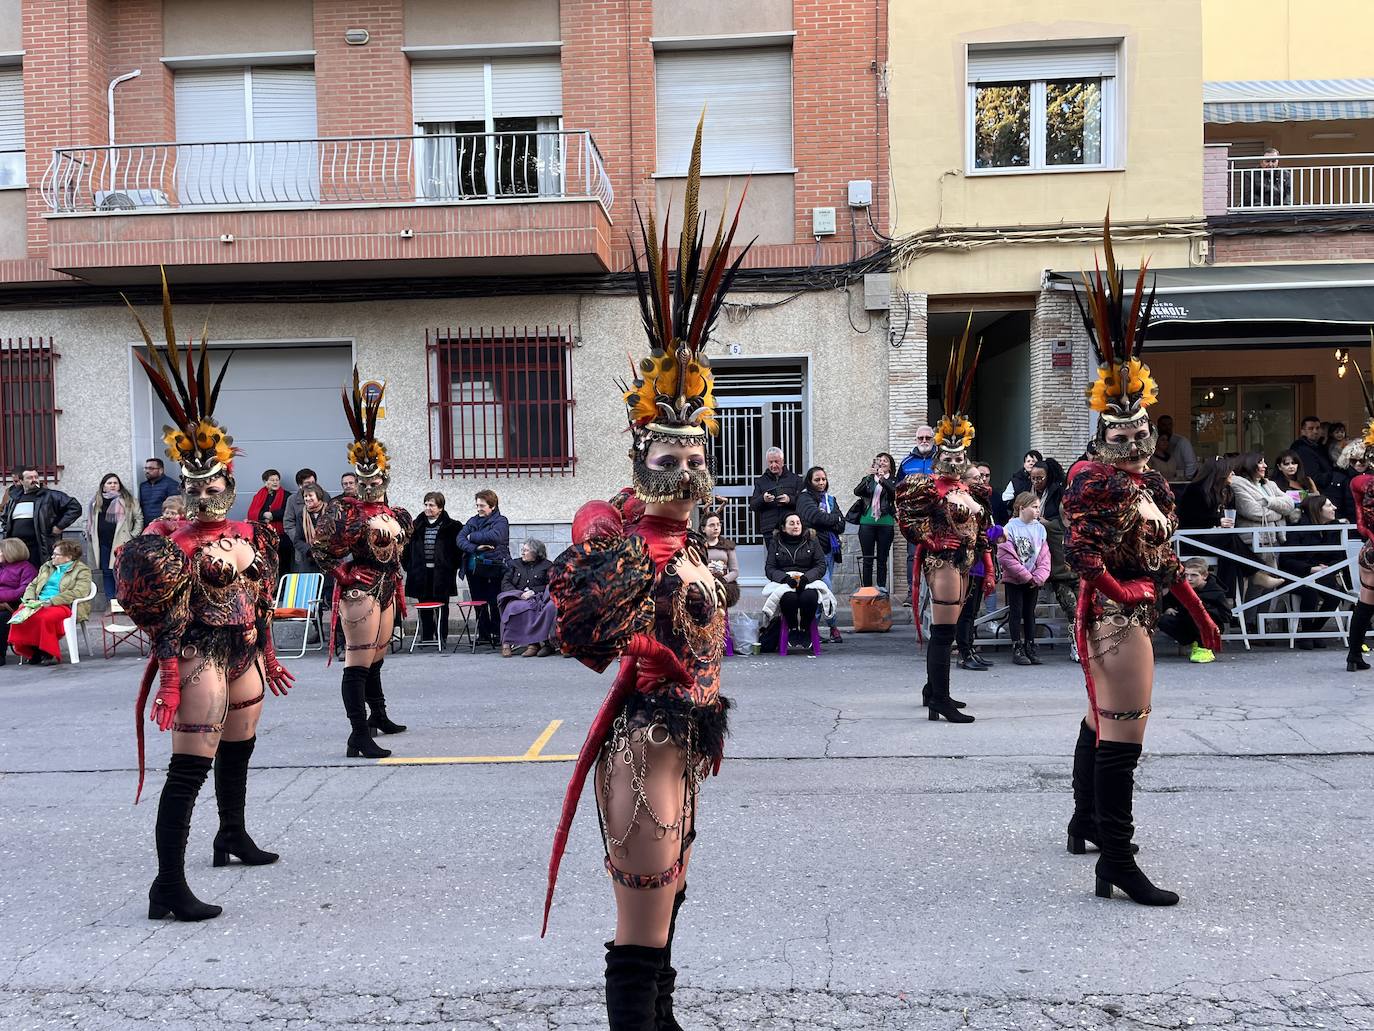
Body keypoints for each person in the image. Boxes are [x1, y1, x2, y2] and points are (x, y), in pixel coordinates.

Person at [542, 128, 745, 1028]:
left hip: (685, 744)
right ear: (638, 450)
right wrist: (627, 540)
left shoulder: (686, 537)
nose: (683, 462)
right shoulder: (619, 532)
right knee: (640, 925)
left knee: (670, 908)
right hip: (641, 746)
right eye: (667, 447)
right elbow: (583, 636)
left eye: (695, 447)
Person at [115, 286, 294, 922]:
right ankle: (167, 885)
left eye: (214, 477)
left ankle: (231, 835)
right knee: (190, 764)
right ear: (181, 481)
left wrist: (260, 613)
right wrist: (187, 563)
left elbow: (263, 590)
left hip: (243, 646)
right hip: (192, 651)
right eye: (194, 479)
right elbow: (145, 590)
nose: (206, 487)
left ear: (229, 477)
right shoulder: (161, 537)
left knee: (241, 744)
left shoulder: (247, 531)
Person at [1061, 222, 1220, 907]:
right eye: (1120, 430)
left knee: (1105, 723)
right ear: (1102, 430)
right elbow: (1081, 553)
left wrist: (1201, 613)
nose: (1133, 438)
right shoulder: (1092, 479)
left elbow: (1167, 557)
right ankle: (1117, 860)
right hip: (1115, 618)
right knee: (1123, 729)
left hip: (1138, 612)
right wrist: (1118, 586)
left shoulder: (1154, 484)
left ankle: (1090, 827)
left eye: (1141, 428)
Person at [895, 318, 993, 724]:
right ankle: (940, 699)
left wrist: (987, 563)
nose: (954, 462)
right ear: (937, 458)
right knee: (945, 632)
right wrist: (931, 542)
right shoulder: (924, 485)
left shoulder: (972, 490)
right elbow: (905, 519)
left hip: (966, 563)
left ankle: (933, 691)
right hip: (945, 564)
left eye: (959, 457)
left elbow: (981, 528)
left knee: (951, 628)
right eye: (947, 457)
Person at [311, 374, 412, 757]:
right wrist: (345, 573)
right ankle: (357, 734)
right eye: (363, 479)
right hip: (361, 590)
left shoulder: (393, 512)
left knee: (378, 654)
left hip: (388, 587)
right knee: (358, 657)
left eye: (376, 478)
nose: (369, 485)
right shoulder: (345, 511)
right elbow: (321, 549)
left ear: (385, 478)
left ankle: (378, 716)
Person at [6, 538, 92, 665]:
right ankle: (33, 651)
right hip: (39, 602)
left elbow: (79, 592)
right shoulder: (47, 567)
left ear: (68, 557)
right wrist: (29, 599)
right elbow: (32, 585)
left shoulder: (82, 570)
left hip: (62, 604)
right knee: (19, 615)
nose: (52, 557)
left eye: (56, 554)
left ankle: (48, 652)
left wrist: (52, 601)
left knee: (44, 618)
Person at [1278, 493, 1346, 650]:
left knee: (1336, 595)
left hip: (1323, 574)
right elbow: (1286, 560)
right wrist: (1310, 568)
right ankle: (1308, 634)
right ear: (1317, 510)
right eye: (1329, 505)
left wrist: (1329, 567)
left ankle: (1312, 631)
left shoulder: (1333, 528)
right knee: (1311, 592)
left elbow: (1340, 556)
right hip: (1296, 575)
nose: (1334, 508)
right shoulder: (1298, 529)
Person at [401, 491, 463, 644]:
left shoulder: (452, 526)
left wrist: (451, 566)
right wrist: (409, 566)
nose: (428, 508)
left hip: (442, 574)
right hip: (421, 573)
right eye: (426, 504)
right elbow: (405, 549)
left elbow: (458, 551)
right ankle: (427, 636)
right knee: (424, 607)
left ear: (440, 507)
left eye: (432, 505)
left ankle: (442, 637)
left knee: (443, 606)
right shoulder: (415, 525)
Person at [955, 463, 1000, 672]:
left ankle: (970, 649)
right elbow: (972, 533)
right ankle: (964, 653)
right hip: (969, 563)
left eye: (982, 477)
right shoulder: (964, 503)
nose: (980, 481)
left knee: (972, 612)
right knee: (966, 612)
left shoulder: (981, 501)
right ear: (964, 482)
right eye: (975, 478)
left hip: (981, 562)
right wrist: (997, 532)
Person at [761, 512, 828, 654]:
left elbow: (821, 565)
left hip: (807, 580)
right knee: (788, 598)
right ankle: (792, 628)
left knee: (809, 597)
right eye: (791, 523)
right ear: (784, 528)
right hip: (785, 581)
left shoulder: (812, 540)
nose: (796, 526)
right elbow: (770, 568)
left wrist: (806, 578)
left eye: (798, 523)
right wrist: (785, 578)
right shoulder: (776, 542)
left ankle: (804, 629)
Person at [999, 491, 1050, 666]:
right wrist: (1025, 576)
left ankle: (1030, 645)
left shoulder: (1040, 528)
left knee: (1030, 613)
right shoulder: (1010, 528)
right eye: (1034, 507)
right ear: (1022, 507)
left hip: (1033, 580)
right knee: (1016, 612)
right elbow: (1006, 556)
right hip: (1015, 579)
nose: (1038, 510)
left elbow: (1044, 556)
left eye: (1038, 507)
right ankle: (1017, 647)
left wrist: (1038, 576)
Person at [456, 490, 511, 652]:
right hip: (474, 570)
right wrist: (476, 547)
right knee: (479, 604)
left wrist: (471, 537)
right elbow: (459, 539)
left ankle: (497, 633)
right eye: (477, 505)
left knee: (494, 602)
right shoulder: (472, 520)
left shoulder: (501, 521)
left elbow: (496, 536)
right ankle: (483, 634)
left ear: (492, 506)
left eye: (482, 505)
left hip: (494, 568)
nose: (478, 508)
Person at [798, 466, 846, 643]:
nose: (821, 483)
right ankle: (831, 626)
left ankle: (817, 629)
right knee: (824, 589)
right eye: (817, 480)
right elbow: (813, 517)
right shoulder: (804, 497)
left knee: (824, 590)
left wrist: (831, 520)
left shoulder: (830, 499)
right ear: (810, 482)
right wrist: (833, 519)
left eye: (823, 479)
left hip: (829, 552)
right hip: (813, 552)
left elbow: (842, 524)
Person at [0, 466, 81, 567]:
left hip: (40, 546)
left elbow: (75, 507)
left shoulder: (50, 496)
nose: (34, 480)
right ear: (21, 481)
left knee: (40, 575)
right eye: (29, 478)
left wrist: (60, 526)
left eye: (36, 477)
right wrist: (6, 529)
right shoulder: (14, 498)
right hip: (17, 548)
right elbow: (4, 517)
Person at [1158, 558, 1230, 663]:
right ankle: (1190, 641)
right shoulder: (1183, 588)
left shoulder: (1216, 592)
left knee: (1197, 613)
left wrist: (1203, 609)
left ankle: (1204, 647)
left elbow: (1226, 615)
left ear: (1205, 576)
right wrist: (1167, 608)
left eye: (1194, 575)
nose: (1189, 579)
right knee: (1161, 619)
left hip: (1207, 625)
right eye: (1186, 575)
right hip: (1185, 623)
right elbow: (1167, 600)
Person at [85, 473, 144, 602]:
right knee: (107, 572)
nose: (112, 485)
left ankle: (124, 602)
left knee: (122, 573)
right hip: (103, 543)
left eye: (115, 483)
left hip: (121, 542)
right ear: (103, 487)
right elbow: (90, 520)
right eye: (109, 483)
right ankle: (111, 602)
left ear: (119, 486)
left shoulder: (128, 500)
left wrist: (133, 535)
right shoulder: (96, 501)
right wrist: (87, 532)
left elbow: (138, 518)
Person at [498, 538, 556, 657]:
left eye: (526, 550)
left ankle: (535, 644)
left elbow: (551, 584)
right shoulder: (514, 564)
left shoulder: (547, 565)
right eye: (522, 550)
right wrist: (519, 594)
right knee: (513, 607)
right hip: (518, 596)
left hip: (539, 597)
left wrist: (534, 592)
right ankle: (507, 643)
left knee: (535, 608)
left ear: (536, 552)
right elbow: (505, 582)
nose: (522, 553)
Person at [853, 452, 897, 592]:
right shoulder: (869, 479)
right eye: (880, 460)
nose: (882, 463)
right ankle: (867, 590)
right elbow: (857, 491)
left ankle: (881, 589)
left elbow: (894, 494)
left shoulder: (893, 481)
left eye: (886, 461)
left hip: (886, 523)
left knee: (882, 559)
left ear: (890, 466)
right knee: (867, 559)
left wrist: (883, 479)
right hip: (867, 522)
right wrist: (869, 476)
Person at [748, 447, 803, 538]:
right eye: (770, 462)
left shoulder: (795, 479)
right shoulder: (761, 481)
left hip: (790, 527)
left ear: (782, 461)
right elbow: (753, 506)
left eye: (776, 461)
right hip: (769, 528)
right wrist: (763, 499)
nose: (773, 465)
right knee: (773, 552)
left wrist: (789, 500)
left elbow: (802, 502)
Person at [0, 537, 38, 664]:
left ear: (11, 552)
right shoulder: (1, 567)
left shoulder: (27, 568)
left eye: (1, 551)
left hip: (15, 604)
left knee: (2, 616)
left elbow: (23, 591)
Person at [247, 469, 292, 575]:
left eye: (277, 480)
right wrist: (263, 515)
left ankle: (282, 586)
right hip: (263, 536)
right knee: (266, 564)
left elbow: (288, 512)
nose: (275, 482)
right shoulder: (259, 495)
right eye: (272, 480)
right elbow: (252, 513)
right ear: (265, 482)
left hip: (281, 536)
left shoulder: (287, 495)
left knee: (283, 564)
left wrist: (272, 515)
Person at [700, 510, 740, 608]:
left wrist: (723, 580)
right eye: (712, 525)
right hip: (703, 583)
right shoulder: (698, 546)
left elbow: (735, 571)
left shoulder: (728, 546)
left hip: (723, 584)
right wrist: (705, 570)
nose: (716, 528)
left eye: (718, 524)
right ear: (703, 529)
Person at [289, 484, 330, 574]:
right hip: (309, 562)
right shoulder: (301, 515)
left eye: (310, 495)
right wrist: (311, 551)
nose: (307, 499)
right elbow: (298, 540)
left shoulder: (330, 512)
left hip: (330, 561)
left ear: (318, 496)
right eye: (305, 496)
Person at [281, 468, 318, 557]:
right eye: (307, 483)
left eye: (313, 483)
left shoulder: (324, 496)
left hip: (324, 549)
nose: (311, 486)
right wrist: (300, 541)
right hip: (302, 550)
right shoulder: (292, 500)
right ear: (300, 485)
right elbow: (288, 524)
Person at [1291, 416, 1333, 490]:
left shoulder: (1318, 446)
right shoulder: (1301, 448)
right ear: (1303, 431)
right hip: (1313, 490)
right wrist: (1334, 475)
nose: (1315, 431)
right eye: (1311, 428)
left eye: (1317, 428)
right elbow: (1313, 477)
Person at [1330, 441, 1368, 523]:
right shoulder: (1340, 477)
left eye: (1362, 460)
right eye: (1353, 461)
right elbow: (1336, 505)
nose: (1358, 464)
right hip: (1350, 525)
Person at [999, 450, 1043, 516]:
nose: (1031, 463)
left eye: (1033, 461)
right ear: (1024, 464)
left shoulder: (1044, 480)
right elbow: (1005, 500)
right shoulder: (1016, 480)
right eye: (1028, 461)